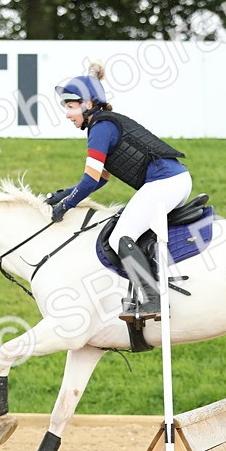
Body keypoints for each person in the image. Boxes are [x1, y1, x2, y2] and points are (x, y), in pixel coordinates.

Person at [49, 62, 193, 322]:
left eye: (70, 107)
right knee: (126, 230)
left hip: (165, 183)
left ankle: (152, 298)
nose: (68, 114)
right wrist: (65, 193)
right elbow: (102, 178)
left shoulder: (101, 128)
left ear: (88, 104)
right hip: (172, 182)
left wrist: (66, 204)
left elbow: (91, 179)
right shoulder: (104, 124)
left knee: (120, 236)